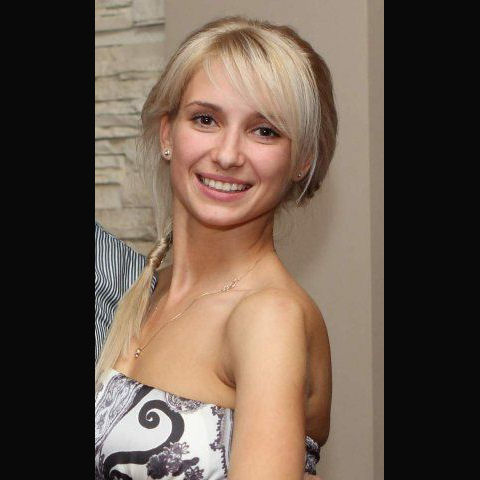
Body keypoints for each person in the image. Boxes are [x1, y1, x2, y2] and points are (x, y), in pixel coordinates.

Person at [95, 15, 337, 480]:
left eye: (265, 130)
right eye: (205, 119)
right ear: (167, 134)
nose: (227, 154)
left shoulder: (268, 317)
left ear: (302, 160)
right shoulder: (140, 291)